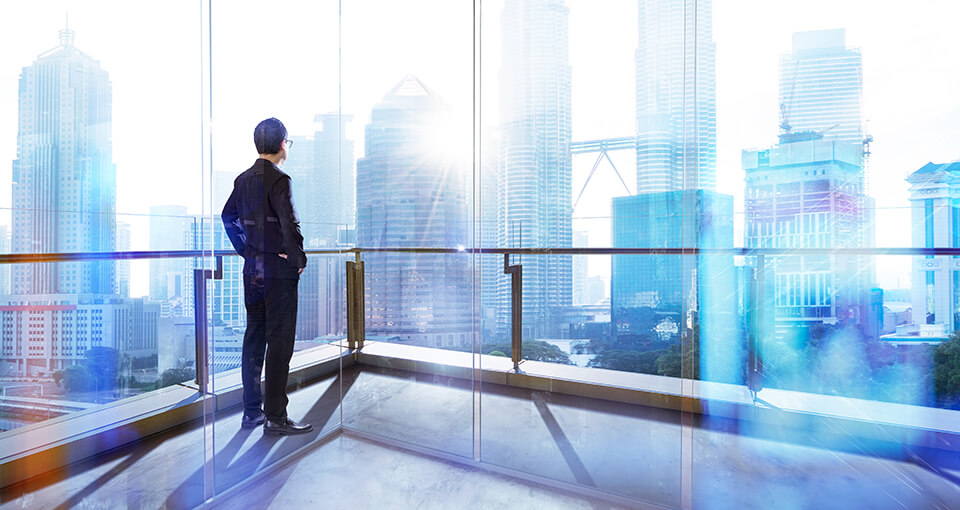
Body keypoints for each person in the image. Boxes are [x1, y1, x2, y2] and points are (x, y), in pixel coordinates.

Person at [222, 117, 312, 435]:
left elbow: (227, 216)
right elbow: (289, 223)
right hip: (278, 273)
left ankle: (251, 413)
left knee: (254, 339)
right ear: (282, 144)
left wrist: (247, 251)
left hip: (252, 272)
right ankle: (276, 416)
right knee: (280, 342)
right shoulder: (279, 180)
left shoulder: (242, 179)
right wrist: (297, 258)